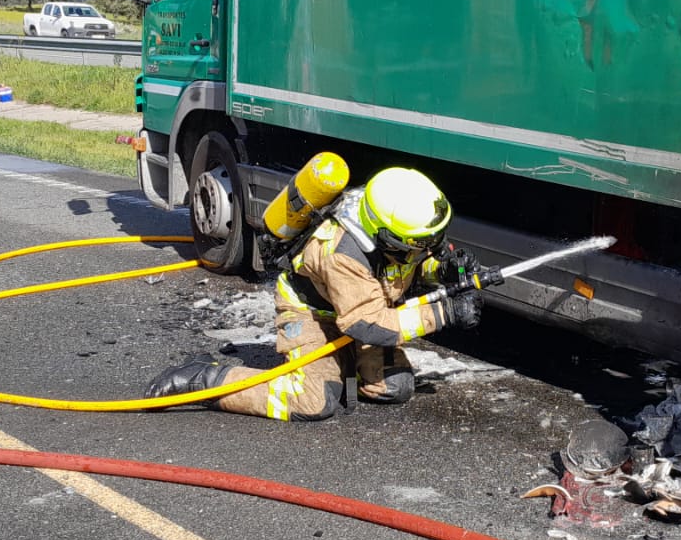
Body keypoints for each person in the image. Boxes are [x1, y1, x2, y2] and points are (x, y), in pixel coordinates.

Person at [147, 166, 482, 421]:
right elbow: (369, 323)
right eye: (422, 244)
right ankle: (209, 379)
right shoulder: (342, 253)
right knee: (314, 402)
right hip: (313, 314)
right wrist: (445, 313)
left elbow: (401, 269)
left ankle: (341, 362)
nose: (429, 248)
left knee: (394, 388)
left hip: (355, 309)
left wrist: (442, 270)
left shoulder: (392, 231)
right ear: (387, 236)